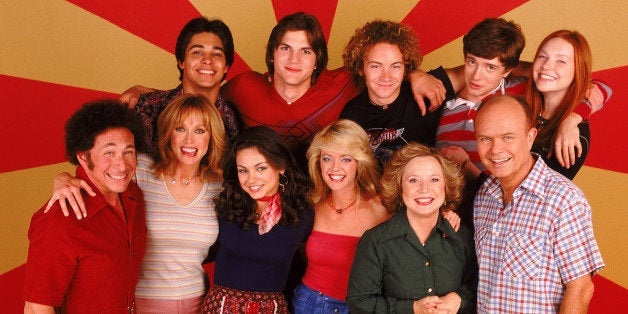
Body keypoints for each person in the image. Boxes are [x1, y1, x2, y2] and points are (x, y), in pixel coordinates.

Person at [122, 12, 451, 165]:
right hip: (258, 199)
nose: (295, 59)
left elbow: (382, 71)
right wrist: (146, 93)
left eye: (306, 50)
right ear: (271, 55)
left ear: (318, 58)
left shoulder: (342, 83)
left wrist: (415, 73)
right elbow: (198, 97)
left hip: (320, 198)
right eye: (285, 49)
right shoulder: (244, 87)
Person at [46, 95, 227, 313]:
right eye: (180, 129)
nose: (189, 140)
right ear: (169, 133)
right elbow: (100, 174)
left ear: (211, 136)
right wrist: (63, 177)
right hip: (142, 303)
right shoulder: (142, 172)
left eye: (200, 130)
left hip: (198, 303)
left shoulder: (220, 187)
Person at [473, 94, 604, 313]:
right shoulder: (484, 196)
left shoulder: (564, 200)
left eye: (507, 137)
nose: (495, 150)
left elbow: (580, 289)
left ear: (530, 136)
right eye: (485, 138)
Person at [436, 18, 611, 179]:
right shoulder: (441, 99)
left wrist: (573, 119)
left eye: (490, 67)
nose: (477, 76)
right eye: (472, 62)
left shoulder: (516, 95)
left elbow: (602, 88)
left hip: (490, 202)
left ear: (507, 71)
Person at [23, 100, 147, 313]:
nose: (122, 165)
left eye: (128, 151)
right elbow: (36, 308)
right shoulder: (58, 220)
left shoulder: (134, 196)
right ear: (83, 156)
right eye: (109, 152)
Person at [346, 143, 477, 313]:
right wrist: (411, 308)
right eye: (413, 180)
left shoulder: (463, 237)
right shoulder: (375, 242)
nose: (424, 189)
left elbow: (481, 286)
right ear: (400, 188)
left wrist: (459, 298)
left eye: (434, 179)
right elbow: (359, 302)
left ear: (446, 187)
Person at [200, 126, 313, 313]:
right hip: (220, 308)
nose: (251, 179)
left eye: (261, 168)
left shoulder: (302, 214)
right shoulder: (226, 205)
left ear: (281, 167)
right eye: (243, 170)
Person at [292, 119, 392, 313]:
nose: (334, 168)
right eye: (327, 158)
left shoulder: (382, 208)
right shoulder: (312, 205)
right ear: (317, 162)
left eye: (345, 159)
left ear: (359, 162)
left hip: (355, 307)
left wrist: (447, 217)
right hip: (306, 302)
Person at [339, 20, 456, 164]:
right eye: (376, 66)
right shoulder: (351, 113)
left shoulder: (426, 88)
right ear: (360, 69)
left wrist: (417, 74)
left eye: (395, 67)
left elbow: (475, 72)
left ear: (405, 68)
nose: (386, 76)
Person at [133, 17, 239, 152]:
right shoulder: (146, 108)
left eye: (217, 54)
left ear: (226, 67)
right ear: (181, 61)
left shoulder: (233, 123)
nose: (207, 60)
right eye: (197, 52)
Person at [527, 30, 612, 179]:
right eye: (542, 56)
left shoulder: (573, 138)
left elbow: (542, 194)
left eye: (561, 61)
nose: (546, 65)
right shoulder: (524, 102)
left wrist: (570, 120)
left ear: (578, 72)